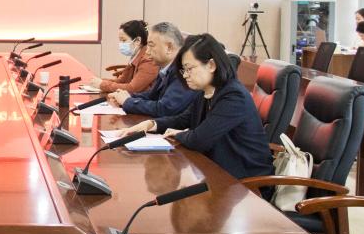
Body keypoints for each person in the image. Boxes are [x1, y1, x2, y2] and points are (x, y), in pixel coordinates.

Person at [118, 34, 274, 180]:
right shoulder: (206, 90)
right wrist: (152, 124)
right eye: (183, 70)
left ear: (211, 65)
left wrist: (180, 134)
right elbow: (183, 119)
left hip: (245, 182)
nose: (185, 75)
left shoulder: (234, 97)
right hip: (218, 171)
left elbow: (199, 140)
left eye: (189, 69)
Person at [107, 21, 199, 117]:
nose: (147, 52)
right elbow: (152, 95)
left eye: (151, 46)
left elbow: (165, 109)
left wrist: (127, 102)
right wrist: (127, 96)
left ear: (169, 47)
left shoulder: (183, 71)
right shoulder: (165, 67)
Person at [88, 19, 159, 94]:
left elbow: (133, 88)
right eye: (120, 40)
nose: (121, 44)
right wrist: (99, 81)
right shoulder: (136, 56)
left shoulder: (148, 60)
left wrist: (102, 84)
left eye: (124, 40)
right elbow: (121, 81)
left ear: (138, 40)